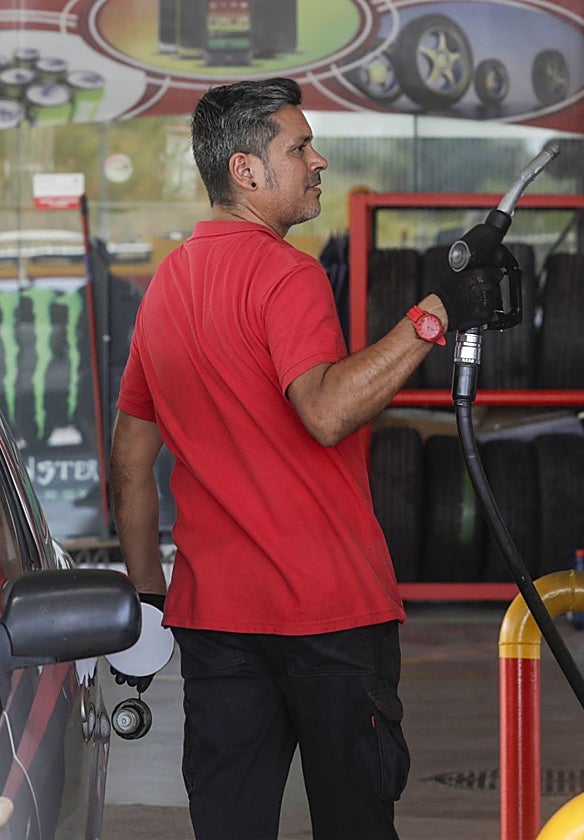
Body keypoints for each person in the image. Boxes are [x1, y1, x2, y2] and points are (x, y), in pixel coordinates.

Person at [109, 77, 504, 840]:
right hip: (329, 616)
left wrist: (151, 596)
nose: (318, 160)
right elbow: (324, 412)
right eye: (299, 147)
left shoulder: (167, 288)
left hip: (214, 619)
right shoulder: (286, 274)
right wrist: (436, 314)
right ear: (246, 172)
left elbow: (129, 462)